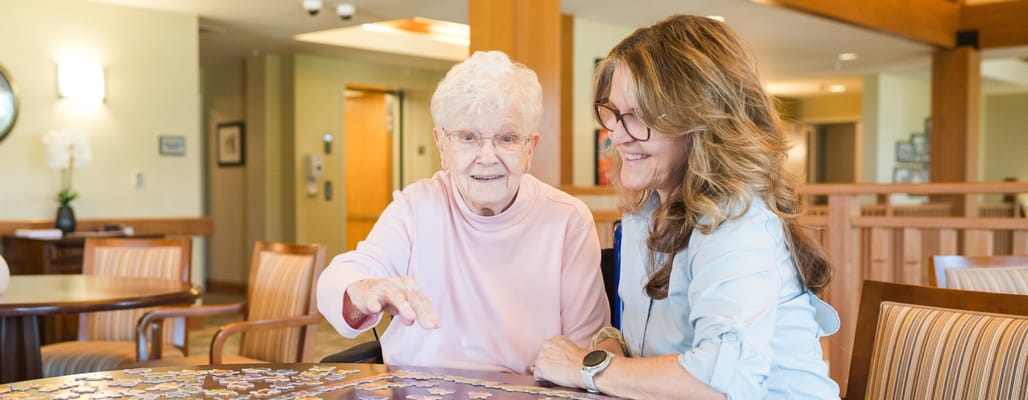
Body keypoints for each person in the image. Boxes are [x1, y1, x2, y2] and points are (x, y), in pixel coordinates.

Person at [531, 15, 840, 399]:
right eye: (613, 113)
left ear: (700, 121)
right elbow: (649, 354)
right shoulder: (644, 214)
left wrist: (586, 369)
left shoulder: (737, 220)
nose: (617, 135)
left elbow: (721, 382)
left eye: (639, 115)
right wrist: (611, 349)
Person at [317, 50, 610, 374]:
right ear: (442, 145)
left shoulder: (567, 220)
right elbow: (341, 276)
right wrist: (365, 289)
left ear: (530, 149)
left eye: (507, 138)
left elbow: (586, 352)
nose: (487, 156)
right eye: (468, 137)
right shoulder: (416, 208)